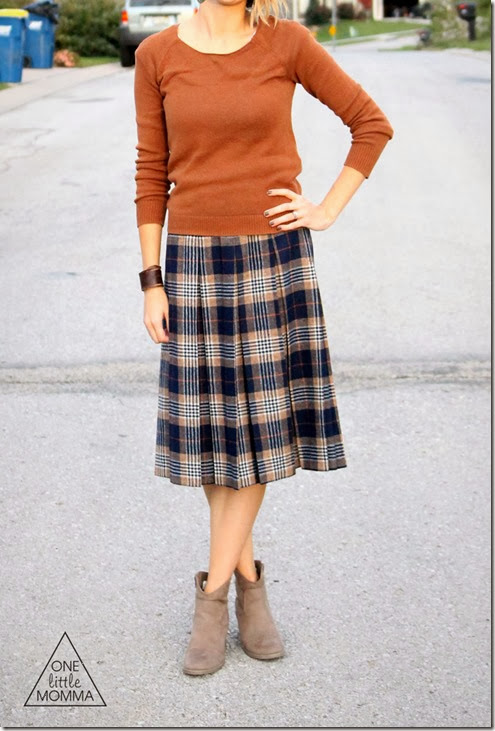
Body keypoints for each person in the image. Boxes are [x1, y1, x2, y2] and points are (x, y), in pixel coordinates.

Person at [133, 0, 394, 677]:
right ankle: (250, 582)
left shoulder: (287, 42)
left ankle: (213, 596)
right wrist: (151, 280)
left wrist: (325, 209)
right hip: (192, 263)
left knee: (263, 430)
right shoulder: (156, 55)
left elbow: (371, 124)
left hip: (271, 261)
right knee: (216, 432)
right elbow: (150, 173)